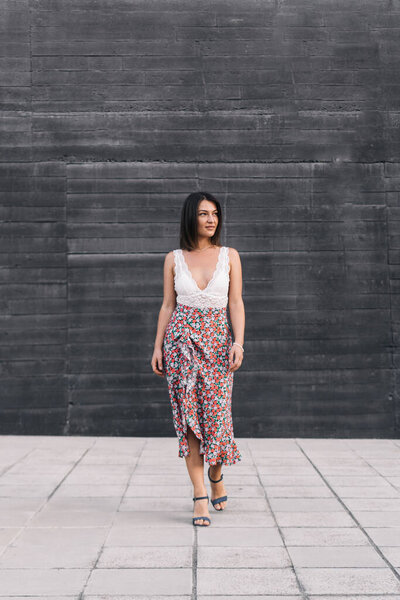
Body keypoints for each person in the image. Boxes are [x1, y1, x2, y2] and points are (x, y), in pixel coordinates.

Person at [151, 191, 245, 527]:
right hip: (181, 347)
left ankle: (216, 475)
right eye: (204, 213)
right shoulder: (173, 259)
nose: (211, 219)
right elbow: (167, 305)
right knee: (190, 422)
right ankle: (199, 495)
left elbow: (235, 303)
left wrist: (239, 343)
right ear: (191, 217)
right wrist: (158, 347)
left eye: (215, 213)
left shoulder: (229, 256)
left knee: (217, 421)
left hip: (219, 346)